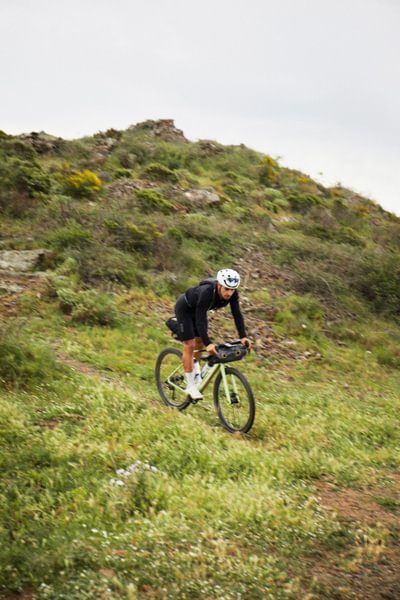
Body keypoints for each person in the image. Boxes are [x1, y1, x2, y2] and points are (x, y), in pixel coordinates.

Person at [174, 268, 251, 400]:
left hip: (200, 310)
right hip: (185, 309)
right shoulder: (207, 292)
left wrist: (243, 336)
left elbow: (237, 314)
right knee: (190, 344)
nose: (229, 293)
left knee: (200, 340)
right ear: (219, 285)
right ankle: (191, 386)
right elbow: (200, 320)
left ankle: (195, 368)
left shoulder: (233, 294)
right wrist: (209, 343)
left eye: (232, 290)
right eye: (226, 289)